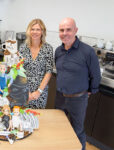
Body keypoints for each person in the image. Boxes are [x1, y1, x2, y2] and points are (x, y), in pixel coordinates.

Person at [54, 18, 101, 150]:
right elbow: (60, 71)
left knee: (77, 130)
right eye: (61, 30)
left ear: (76, 30)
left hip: (78, 99)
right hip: (60, 96)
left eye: (68, 29)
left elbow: (96, 75)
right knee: (58, 127)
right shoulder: (58, 51)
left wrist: (90, 90)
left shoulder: (87, 52)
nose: (65, 33)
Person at [19, 19, 53, 109]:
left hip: (40, 91)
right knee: (22, 116)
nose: (35, 32)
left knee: (38, 118)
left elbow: (48, 71)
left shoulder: (48, 48)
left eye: (38, 29)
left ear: (42, 32)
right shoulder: (23, 48)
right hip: (24, 90)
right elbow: (19, 71)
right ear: (29, 31)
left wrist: (39, 91)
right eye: (32, 29)